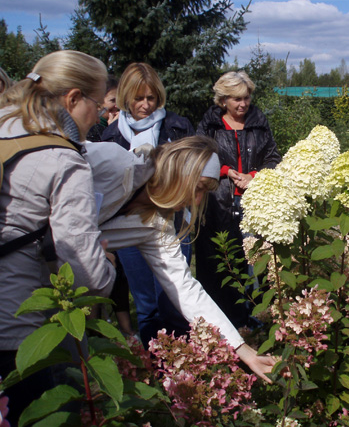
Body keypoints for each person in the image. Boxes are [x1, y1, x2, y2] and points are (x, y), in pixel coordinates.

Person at [89, 135, 275, 382]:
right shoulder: (109, 161)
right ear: (177, 171)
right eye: (197, 188)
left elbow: (184, 288)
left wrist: (244, 351)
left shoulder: (158, 226)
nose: (196, 201)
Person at [0, 50, 116, 423]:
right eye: (97, 104)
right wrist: (107, 267)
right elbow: (84, 268)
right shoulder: (63, 158)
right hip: (19, 329)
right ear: (73, 99)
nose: (98, 115)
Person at [101, 62, 194, 345]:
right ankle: (157, 367)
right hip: (129, 224)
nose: (145, 105)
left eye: (151, 98)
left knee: (175, 298)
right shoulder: (111, 135)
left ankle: (187, 365)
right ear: (125, 97)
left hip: (173, 222)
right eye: (138, 98)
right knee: (146, 304)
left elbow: (193, 172)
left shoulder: (177, 127)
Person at [195, 71, 281, 328]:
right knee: (224, 261)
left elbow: (273, 158)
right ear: (223, 100)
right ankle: (229, 320)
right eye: (236, 99)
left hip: (254, 203)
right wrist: (226, 171)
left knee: (256, 260)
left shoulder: (259, 124)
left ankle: (261, 317)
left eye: (246, 98)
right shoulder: (210, 126)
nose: (243, 104)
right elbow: (197, 157)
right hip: (217, 204)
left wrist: (253, 176)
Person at [86, 75, 119, 142]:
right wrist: (112, 129)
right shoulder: (91, 129)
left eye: (119, 101)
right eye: (113, 101)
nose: (117, 106)